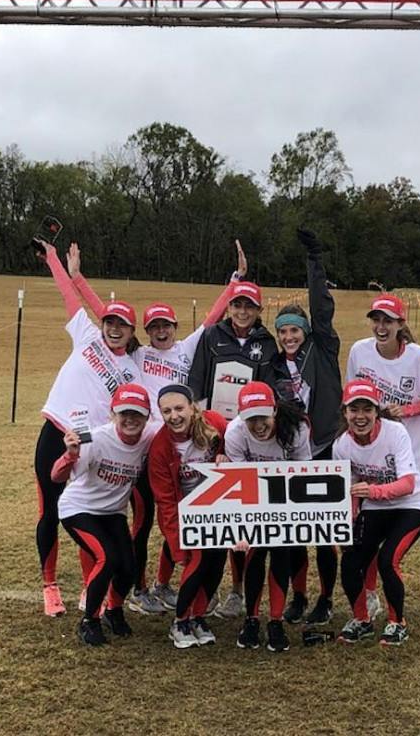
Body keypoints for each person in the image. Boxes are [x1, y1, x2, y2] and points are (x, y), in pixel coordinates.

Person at [125, 240, 247, 616]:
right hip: (150, 449)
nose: (160, 331)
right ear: (146, 331)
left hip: (189, 445)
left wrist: (235, 279)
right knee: (149, 520)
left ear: (175, 327)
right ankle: (142, 587)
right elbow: (109, 325)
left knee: (189, 511)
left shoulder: (188, 346)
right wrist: (76, 277)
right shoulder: (139, 354)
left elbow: (211, 317)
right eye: (154, 327)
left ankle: (168, 583)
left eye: (166, 325)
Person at [33, 240, 141, 617]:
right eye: (109, 322)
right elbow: (68, 296)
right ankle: (49, 586)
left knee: (90, 512)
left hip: (91, 443)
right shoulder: (87, 334)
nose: (113, 329)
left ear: (130, 332)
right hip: (56, 430)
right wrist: (57, 263)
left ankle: (87, 586)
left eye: (121, 325)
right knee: (48, 510)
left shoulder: (134, 367)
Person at [345, 293, 420, 614]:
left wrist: (408, 409)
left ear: (400, 324)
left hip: (409, 460)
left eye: (387, 321)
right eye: (376, 320)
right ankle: (372, 593)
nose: (380, 326)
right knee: (373, 530)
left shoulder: (418, 358)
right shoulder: (359, 352)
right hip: (372, 462)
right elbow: (352, 399)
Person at [187, 278, 278, 618]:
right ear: (229, 307)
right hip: (210, 437)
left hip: (246, 438)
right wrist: (206, 432)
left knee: (242, 518)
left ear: (259, 310)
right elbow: (196, 381)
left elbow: (268, 394)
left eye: (249, 306)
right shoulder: (212, 336)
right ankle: (205, 588)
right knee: (211, 516)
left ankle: (238, 591)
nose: (242, 311)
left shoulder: (267, 344)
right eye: (237, 304)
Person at [268, 227, 342, 626]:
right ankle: (297, 596)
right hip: (293, 453)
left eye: (294, 329)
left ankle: (326, 599)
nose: (289, 336)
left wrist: (315, 259)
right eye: (283, 332)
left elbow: (320, 304)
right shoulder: (276, 365)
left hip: (328, 443)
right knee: (295, 531)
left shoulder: (323, 346)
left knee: (325, 531)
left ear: (305, 331)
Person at [332, 379, 420, 647]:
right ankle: (361, 620)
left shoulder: (395, 432)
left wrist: (374, 492)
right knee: (351, 558)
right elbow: (349, 489)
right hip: (375, 505)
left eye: (367, 409)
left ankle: (396, 622)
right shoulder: (341, 445)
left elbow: (408, 483)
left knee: (388, 559)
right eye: (354, 410)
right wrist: (349, 521)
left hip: (412, 503)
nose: (360, 416)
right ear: (345, 412)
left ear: (377, 411)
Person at [52, 383, 157, 646]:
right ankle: (90, 620)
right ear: (113, 414)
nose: (130, 420)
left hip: (113, 512)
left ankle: (114, 610)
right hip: (79, 509)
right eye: (124, 413)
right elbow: (56, 476)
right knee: (106, 558)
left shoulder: (149, 436)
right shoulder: (96, 438)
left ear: (147, 417)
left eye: (137, 414)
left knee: (130, 567)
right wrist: (70, 454)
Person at [225, 381, 311, 652]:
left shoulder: (296, 429)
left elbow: (303, 473)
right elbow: (237, 482)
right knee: (255, 551)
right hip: (252, 499)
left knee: (283, 551)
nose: (258, 424)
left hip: (286, 500)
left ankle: (275, 621)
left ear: (274, 410)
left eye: (263, 416)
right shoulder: (235, 433)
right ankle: (251, 619)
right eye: (251, 419)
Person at [148, 384, 229, 649]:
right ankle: (180, 621)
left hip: (217, 508)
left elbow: (234, 447)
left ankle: (198, 616)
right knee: (197, 559)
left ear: (194, 408)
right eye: (167, 411)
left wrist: (224, 456)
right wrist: (176, 543)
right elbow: (166, 502)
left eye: (179, 408)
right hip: (187, 514)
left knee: (217, 560)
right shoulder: (160, 448)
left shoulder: (215, 423)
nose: (174, 416)